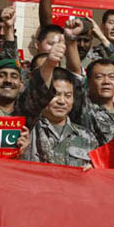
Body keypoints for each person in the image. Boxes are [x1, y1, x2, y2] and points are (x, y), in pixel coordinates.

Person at [18, 38, 96, 167]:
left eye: (68, 96)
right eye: (56, 94)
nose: (62, 101)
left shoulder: (87, 137)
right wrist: (49, 63)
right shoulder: (30, 129)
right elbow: (35, 92)